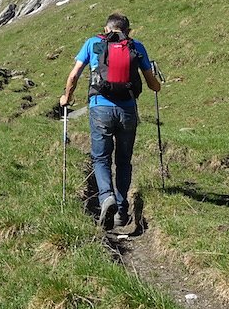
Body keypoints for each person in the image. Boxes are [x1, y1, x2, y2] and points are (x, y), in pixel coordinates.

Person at [59, 13, 161, 229]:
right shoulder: (136, 46)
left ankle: (106, 197)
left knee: (100, 158)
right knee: (123, 161)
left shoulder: (93, 43)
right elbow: (152, 84)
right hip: (127, 110)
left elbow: (74, 74)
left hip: (100, 108)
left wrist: (66, 97)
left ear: (106, 29)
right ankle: (121, 212)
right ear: (128, 31)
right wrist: (157, 86)